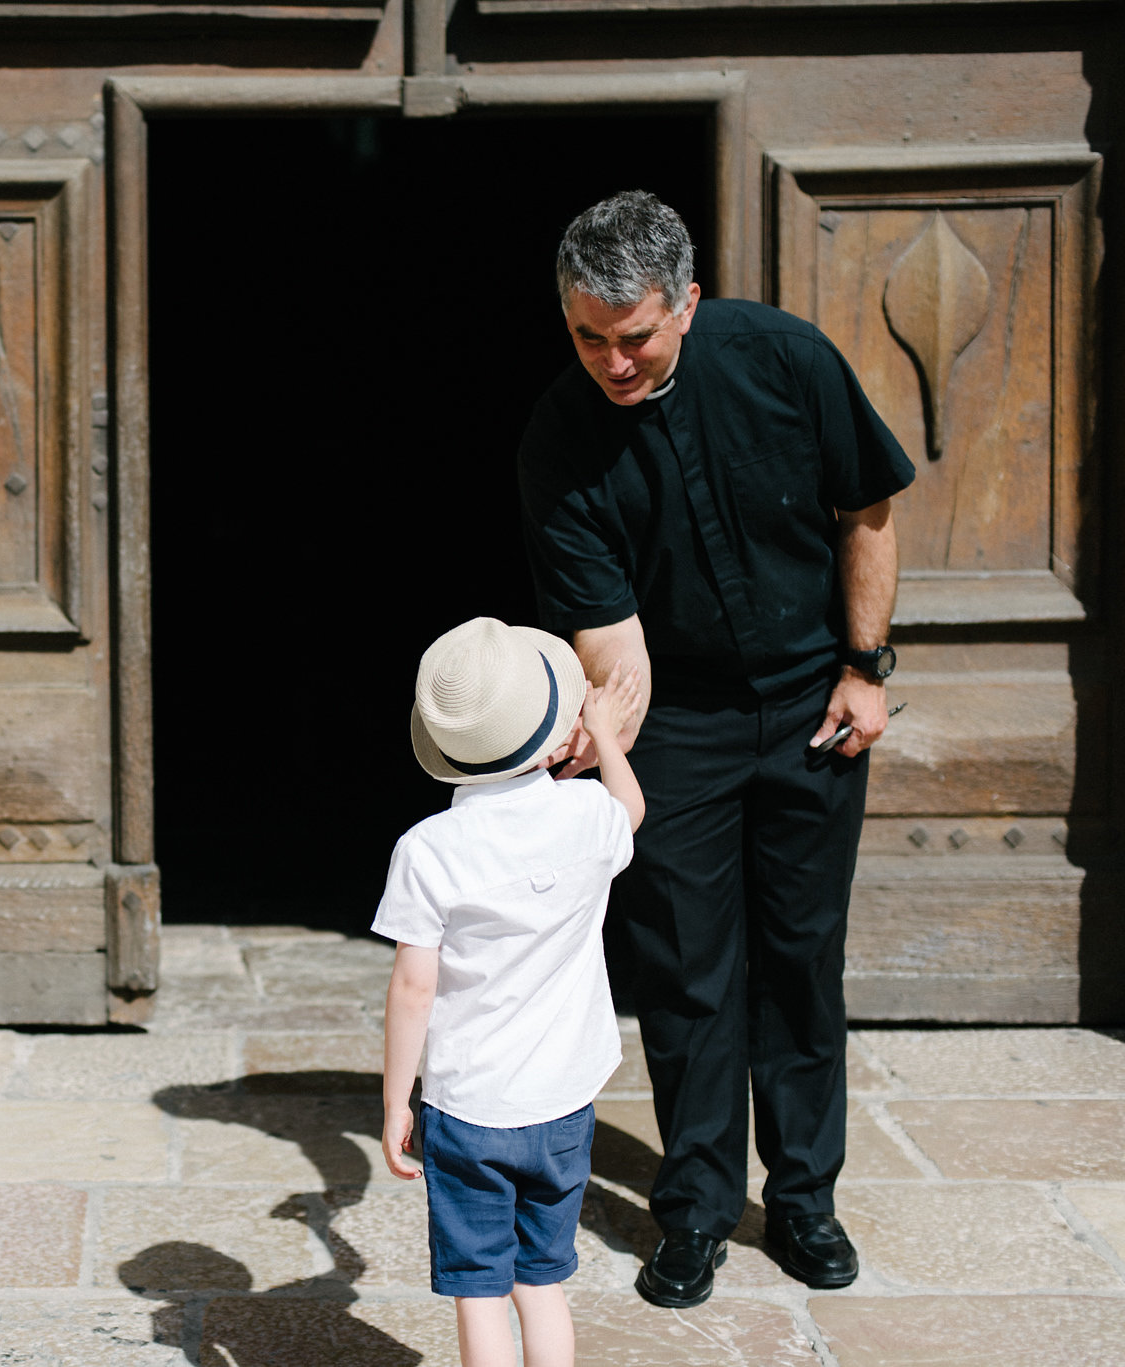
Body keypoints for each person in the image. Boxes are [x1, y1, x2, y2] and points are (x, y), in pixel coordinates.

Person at [517, 190, 915, 1308]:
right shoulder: (558, 436)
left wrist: (864, 666)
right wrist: (611, 748)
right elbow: (612, 640)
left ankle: (801, 1201)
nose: (612, 361)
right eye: (586, 337)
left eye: (633, 334)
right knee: (687, 973)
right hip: (679, 718)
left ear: (686, 302)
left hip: (811, 699)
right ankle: (691, 1211)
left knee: (798, 957)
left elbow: (866, 509)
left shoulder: (785, 358)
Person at [376, 616, 646, 1367]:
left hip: (469, 1107)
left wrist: (399, 1098)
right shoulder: (590, 817)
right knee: (541, 1282)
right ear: (557, 733)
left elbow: (413, 986)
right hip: (563, 1103)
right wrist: (609, 741)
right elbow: (632, 811)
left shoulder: (427, 850)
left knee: (481, 1291)